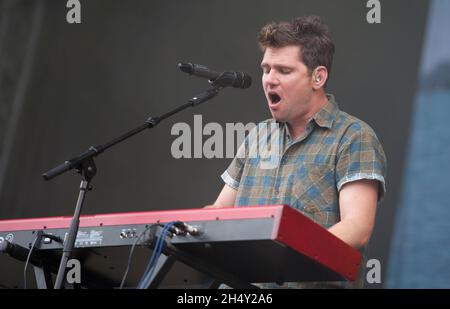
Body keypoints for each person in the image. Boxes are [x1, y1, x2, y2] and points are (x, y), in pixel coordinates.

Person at [206, 16, 386, 288]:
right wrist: (186, 229)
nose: (269, 80)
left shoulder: (353, 136)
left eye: (284, 70)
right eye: (266, 69)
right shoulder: (257, 135)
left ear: (318, 77)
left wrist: (281, 260)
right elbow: (221, 209)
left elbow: (357, 228)